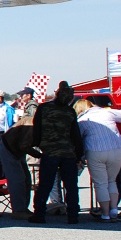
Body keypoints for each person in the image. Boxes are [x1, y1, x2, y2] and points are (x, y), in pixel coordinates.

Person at [29, 81, 84, 224]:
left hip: (50, 152)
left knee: (45, 185)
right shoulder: (70, 112)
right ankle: (73, 215)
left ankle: (39, 214)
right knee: (71, 186)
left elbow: (37, 129)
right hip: (68, 153)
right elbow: (75, 135)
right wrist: (79, 154)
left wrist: (36, 145)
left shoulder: (43, 108)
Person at [76, 96, 121, 222]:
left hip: (95, 152)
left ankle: (105, 214)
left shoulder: (82, 120)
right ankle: (114, 210)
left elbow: (79, 138)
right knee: (112, 181)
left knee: (101, 184)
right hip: (116, 149)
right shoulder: (106, 112)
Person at [0, 117, 39, 219]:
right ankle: (18, 210)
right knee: (17, 179)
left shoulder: (36, 122)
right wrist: (40, 155)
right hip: (9, 147)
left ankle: (23, 208)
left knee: (26, 179)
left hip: (17, 149)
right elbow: (24, 145)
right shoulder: (32, 125)